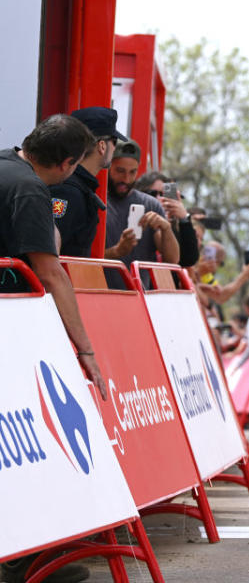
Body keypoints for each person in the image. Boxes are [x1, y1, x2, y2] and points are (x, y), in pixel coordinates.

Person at [0, 115, 107, 583]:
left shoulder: (5, 165)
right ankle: (22, 558)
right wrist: (85, 350)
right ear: (66, 165)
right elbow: (50, 273)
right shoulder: (29, 191)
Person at [48, 107, 125, 257]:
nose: (115, 148)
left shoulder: (74, 187)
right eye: (114, 141)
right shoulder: (68, 191)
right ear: (102, 146)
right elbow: (48, 250)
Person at [104, 140, 179, 267]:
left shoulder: (151, 205)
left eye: (132, 172)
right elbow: (81, 257)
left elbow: (172, 260)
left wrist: (166, 229)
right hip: (99, 286)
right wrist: (116, 252)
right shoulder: (95, 201)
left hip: (140, 287)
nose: (126, 179)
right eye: (120, 171)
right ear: (109, 165)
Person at [134, 168, 200, 267]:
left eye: (164, 195)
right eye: (153, 194)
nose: (160, 199)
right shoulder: (134, 220)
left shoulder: (171, 226)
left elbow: (188, 259)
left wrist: (184, 219)